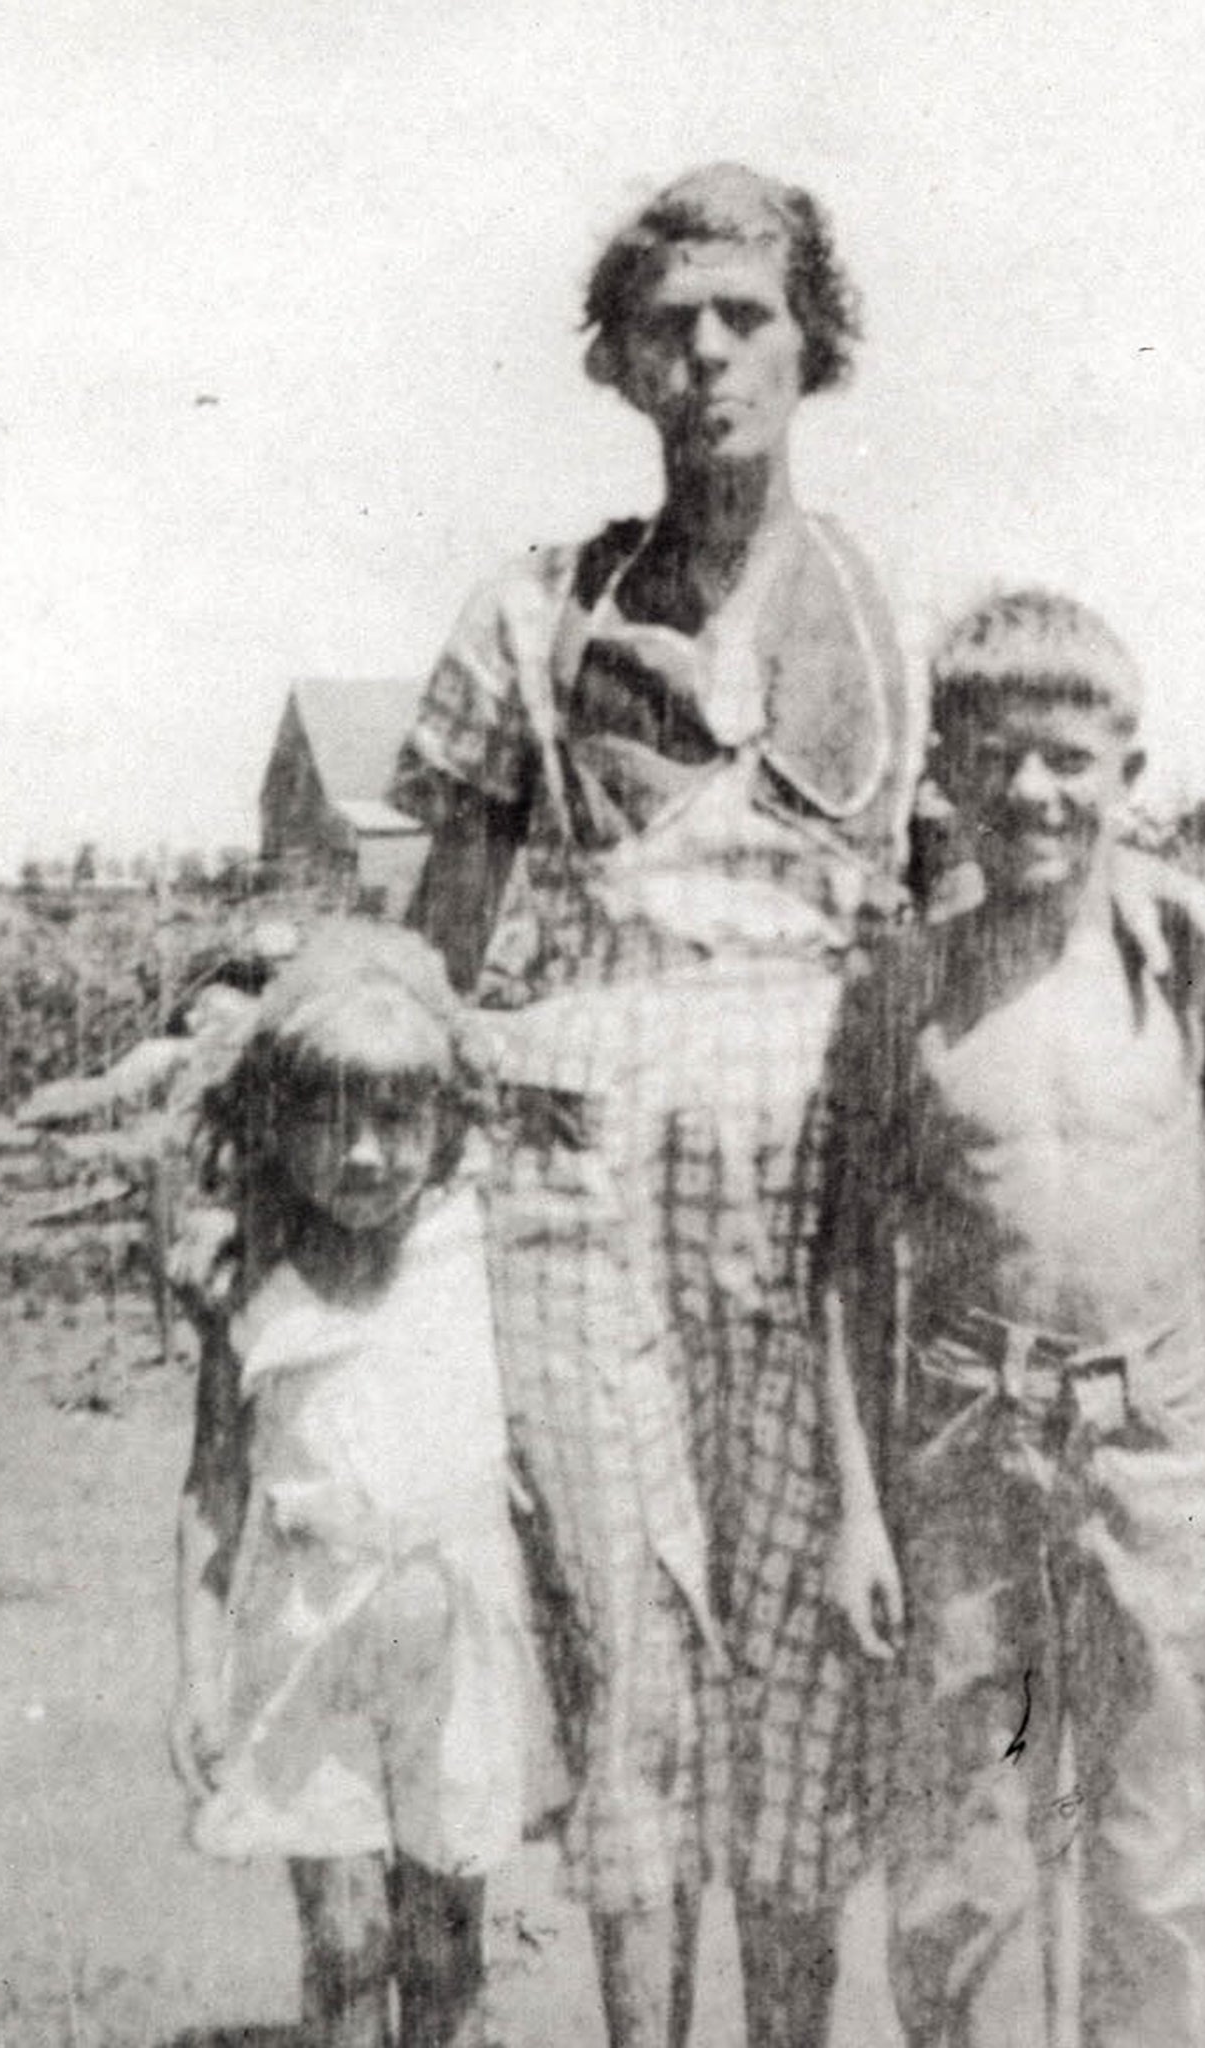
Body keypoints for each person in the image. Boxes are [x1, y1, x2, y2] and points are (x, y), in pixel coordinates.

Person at [390, 163, 915, 2047]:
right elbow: (428, 963)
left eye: (745, 316)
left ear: (810, 341)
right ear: (617, 360)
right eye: (667, 324)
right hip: (578, 1194)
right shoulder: (530, 621)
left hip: (808, 1217)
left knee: (797, 1655)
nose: (706, 355)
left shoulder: (898, 632)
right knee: (627, 1650)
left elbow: (972, 941)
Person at [816, 588, 1205, 2047]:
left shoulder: (1192, 972)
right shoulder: (903, 995)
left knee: (1162, 1858)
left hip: (1153, 1460)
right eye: (997, 756)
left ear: (1126, 777)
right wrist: (858, 1508)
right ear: (948, 774)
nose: (1033, 791)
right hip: (967, 1460)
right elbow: (847, 1262)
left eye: (1070, 760)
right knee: (967, 1871)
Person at [169, 921, 557, 2048]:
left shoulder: (478, 1249)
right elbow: (211, 1491)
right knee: (345, 1942)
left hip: (457, 1639)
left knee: (445, 1942)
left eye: (397, 1119)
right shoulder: (252, 1284)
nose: (366, 1154)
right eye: (328, 1119)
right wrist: (196, 1672)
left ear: (445, 1127)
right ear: (273, 1121)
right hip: (308, 1641)